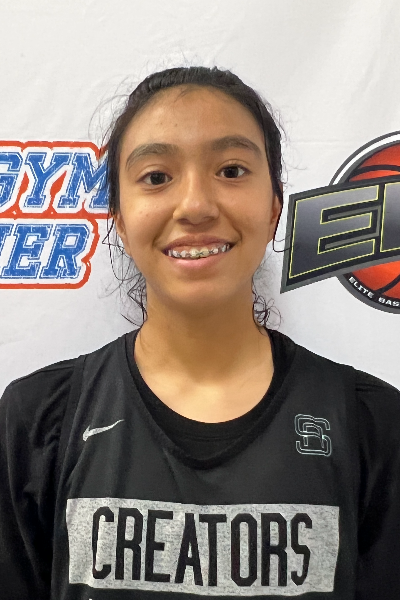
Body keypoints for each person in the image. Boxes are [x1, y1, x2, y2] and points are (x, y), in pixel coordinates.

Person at [1, 66, 400, 600]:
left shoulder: (372, 425)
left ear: (275, 207)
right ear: (120, 219)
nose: (195, 206)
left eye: (231, 170)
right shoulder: (37, 422)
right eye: (156, 177)